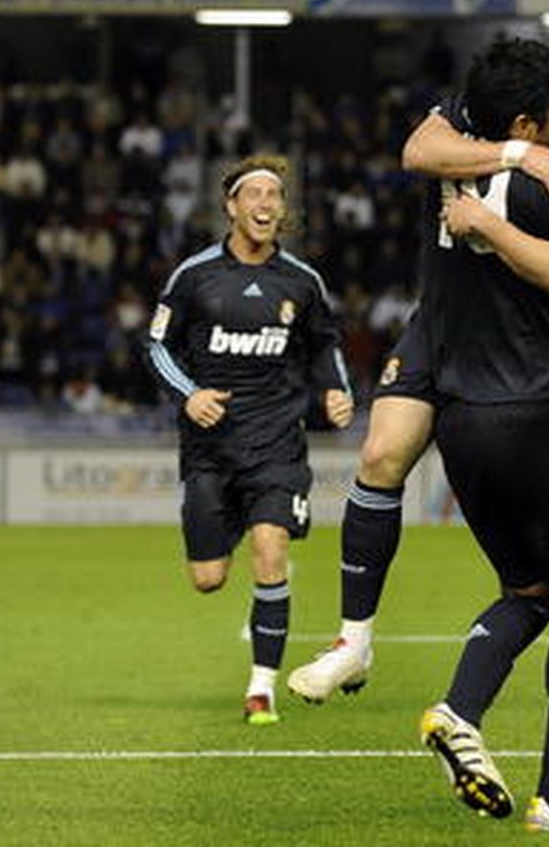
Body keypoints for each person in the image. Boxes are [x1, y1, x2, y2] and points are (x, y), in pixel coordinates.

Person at [289, 28, 549, 705]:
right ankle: (353, 641)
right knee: (381, 453)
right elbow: (418, 149)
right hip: (449, 317)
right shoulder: (518, 102)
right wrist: (519, 152)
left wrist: (487, 222)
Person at [401, 38, 549, 830]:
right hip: (534, 409)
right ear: (533, 119)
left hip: (458, 419)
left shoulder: (448, 172)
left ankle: (460, 712)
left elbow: (420, 146)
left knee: (525, 591)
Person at [146, 154, 355, 725]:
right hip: (210, 449)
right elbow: (158, 346)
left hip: (277, 445)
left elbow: (324, 347)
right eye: (254, 194)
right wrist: (189, 394)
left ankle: (260, 688)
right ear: (231, 206)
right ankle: (232, 523)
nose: (265, 204)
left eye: (274, 196)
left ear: (282, 211)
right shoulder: (194, 276)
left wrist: (336, 391)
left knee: (271, 553)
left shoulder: (302, 282)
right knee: (209, 579)